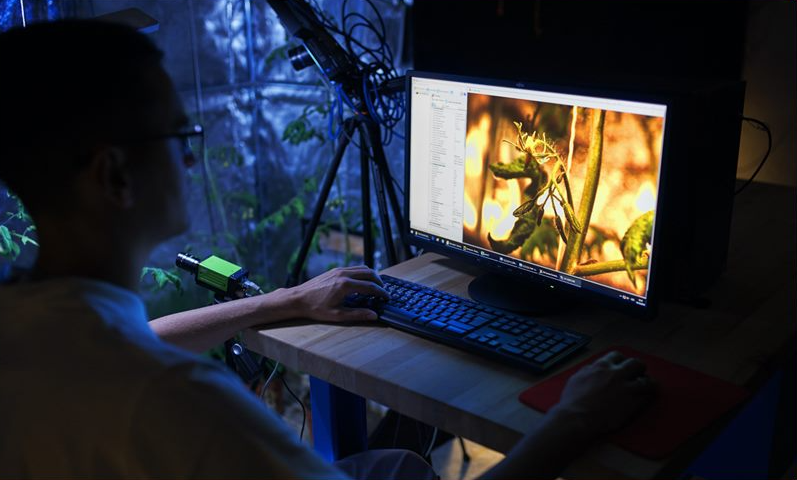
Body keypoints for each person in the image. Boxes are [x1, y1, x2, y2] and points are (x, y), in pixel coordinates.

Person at [0, 19, 656, 479]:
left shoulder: (26, 327)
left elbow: (132, 341)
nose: (191, 158)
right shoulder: (180, 406)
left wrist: (286, 301)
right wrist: (572, 421)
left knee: (396, 464)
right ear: (115, 176)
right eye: (179, 136)